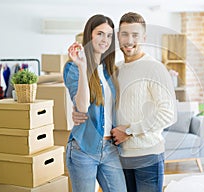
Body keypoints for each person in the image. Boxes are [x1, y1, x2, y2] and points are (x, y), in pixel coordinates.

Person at [72, 12, 177, 192]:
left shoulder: (155, 68)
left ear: (143, 37)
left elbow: (169, 114)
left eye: (135, 35)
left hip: (147, 157)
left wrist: (129, 131)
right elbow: (104, 104)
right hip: (119, 156)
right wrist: (78, 112)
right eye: (124, 34)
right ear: (118, 38)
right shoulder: (115, 69)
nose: (129, 40)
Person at [64, 14, 127, 192]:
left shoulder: (111, 70)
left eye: (108, 35)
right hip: (83, 148)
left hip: (110, 148)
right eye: (100, 33)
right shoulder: (73, 68)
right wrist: (83, 67)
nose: (104, 40)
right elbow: (82, 108)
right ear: (89, 35)